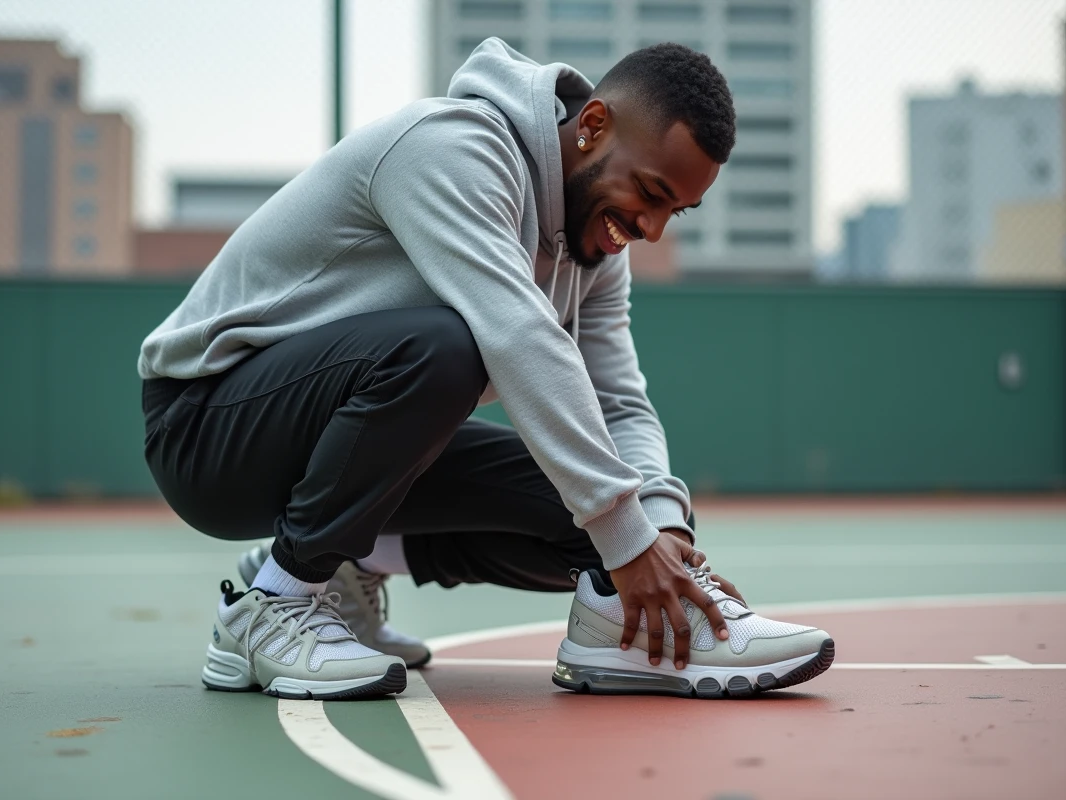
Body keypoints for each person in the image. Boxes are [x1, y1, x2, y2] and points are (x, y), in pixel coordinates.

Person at [139, 39, 833, 701]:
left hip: (336, 442)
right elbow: (517, 334)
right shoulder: (452, 149)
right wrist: (626, 539)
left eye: (674, 211)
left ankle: (595, 629)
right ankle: (275, 601)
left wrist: (660, 531)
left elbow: (619, 404)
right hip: (208, 430)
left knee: (606, 502)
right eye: (650, 193)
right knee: (450, 349)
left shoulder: (596, 247)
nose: (652, 229)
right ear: (593, 125)